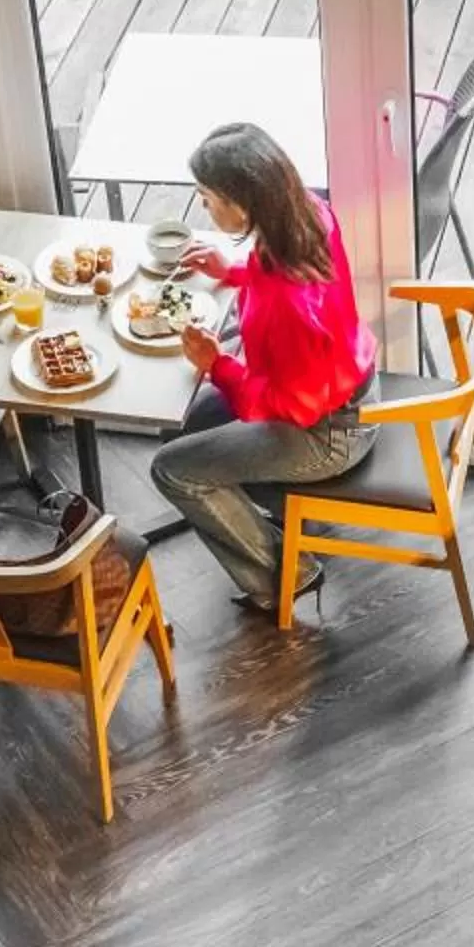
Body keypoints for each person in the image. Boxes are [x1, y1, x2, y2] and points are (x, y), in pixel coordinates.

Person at [151, 123, 381, 612]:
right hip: (351, 391)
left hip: (325, 433)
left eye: (207, 197)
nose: (203, 207)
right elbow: (278, 272)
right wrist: (231, 271)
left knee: (172, 470)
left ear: (243, 202)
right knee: (184, 422)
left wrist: (219, 366)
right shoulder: (309, 214)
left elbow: (289, 407)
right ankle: (259, 516)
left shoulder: (287, 307)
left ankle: (286, 572)